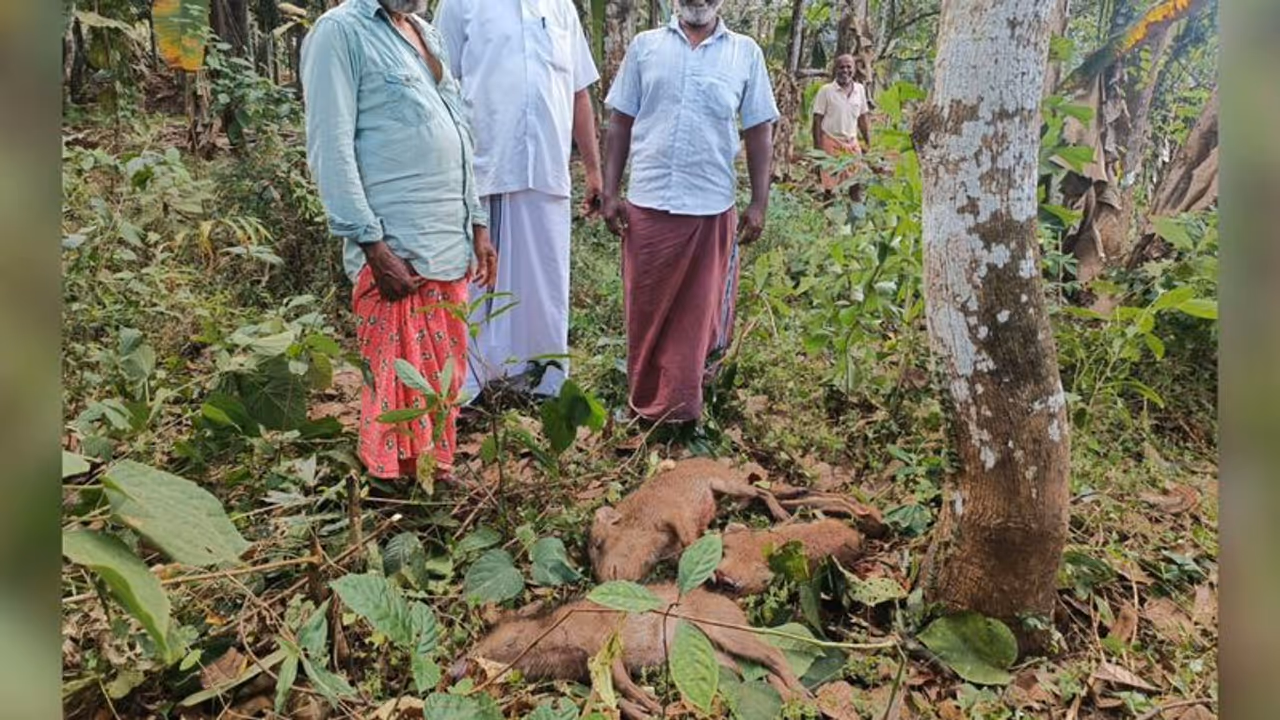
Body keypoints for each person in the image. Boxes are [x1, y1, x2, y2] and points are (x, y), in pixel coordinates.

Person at [300, 0, 497, 486]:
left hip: (448, 247)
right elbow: (331, 147)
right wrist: (372, 245)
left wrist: (478, 224)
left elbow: (460, 135)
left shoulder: (428, 35)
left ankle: (433, 473)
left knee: (441, 378)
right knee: (394, 382)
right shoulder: (339, 32)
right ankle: (392, 485)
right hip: (396, 253)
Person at [601, 0, 778, 424]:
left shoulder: (745, 53)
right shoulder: (645, 47)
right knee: (644, 312)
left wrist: (759, 203)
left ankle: (682, 409)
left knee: (698, 316)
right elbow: (619, 121)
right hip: (648, 204)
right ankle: (644, 404)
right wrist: (609, 192)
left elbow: (758, 130)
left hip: (710, 206)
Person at [435, 0, 602, 402]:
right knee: (477, 282)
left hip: (546, 170)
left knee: (545, 282)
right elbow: (439, 84)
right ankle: (472, 385)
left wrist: (594, 170)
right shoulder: (460, 5)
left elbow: (579, 92)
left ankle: (543, 381)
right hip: (484, 167)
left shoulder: (561, 7)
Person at [811, 54, 872, 205]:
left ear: (854, 69)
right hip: (830, 141)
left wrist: (868, 142)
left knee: (855, 184)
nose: (845, 70)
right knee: (829, 187)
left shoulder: (860, 90)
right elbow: (817, 121)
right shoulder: (826, 91)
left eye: (848, 67)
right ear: (835, 70)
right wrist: (819, 151)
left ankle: (855, 223)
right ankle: (828, 222)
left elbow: (863, 118)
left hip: (851, 143)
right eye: (841, 67)